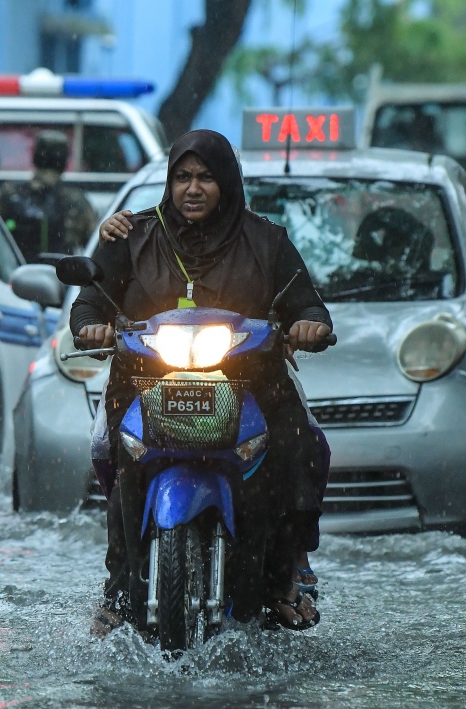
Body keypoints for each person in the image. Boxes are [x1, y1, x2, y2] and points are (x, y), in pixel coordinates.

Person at [75, 130, 333, 629]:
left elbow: (305, 302)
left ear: (228, 183)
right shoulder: (130, 235)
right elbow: (90, 300)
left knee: (301, 446)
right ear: (169, 183)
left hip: (250, 381)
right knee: (116, 456)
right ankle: (120, 587)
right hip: (146, 382)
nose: (193, 189)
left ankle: (284, 576)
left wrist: (310, 325)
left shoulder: (267, 240)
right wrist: (89, 325)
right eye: (183, 177)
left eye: (206, 178)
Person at [0, 131, 97, 264]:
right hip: (61, 278)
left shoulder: (10, 194)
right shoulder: (76, 200)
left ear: (34, 157)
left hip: (16, 275)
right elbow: (95, 246)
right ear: (64, 161)